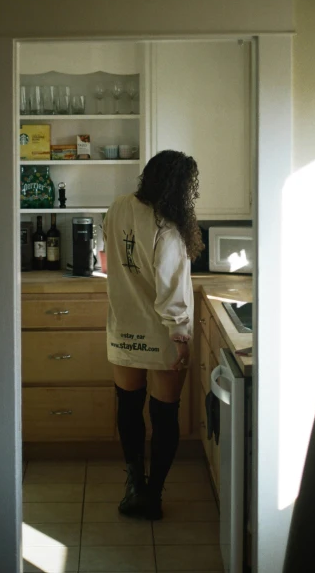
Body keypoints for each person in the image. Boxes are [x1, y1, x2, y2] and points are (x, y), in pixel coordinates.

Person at [103, 150, 204, 520]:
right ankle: (152, 494)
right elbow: (172, 290)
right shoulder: (169, 227)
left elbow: (110, 257)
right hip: (162, 335)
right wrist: (180, 337)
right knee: (164, 415)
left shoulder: (117, 207)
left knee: (128, 407)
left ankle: (134, 484)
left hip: (123, 328)